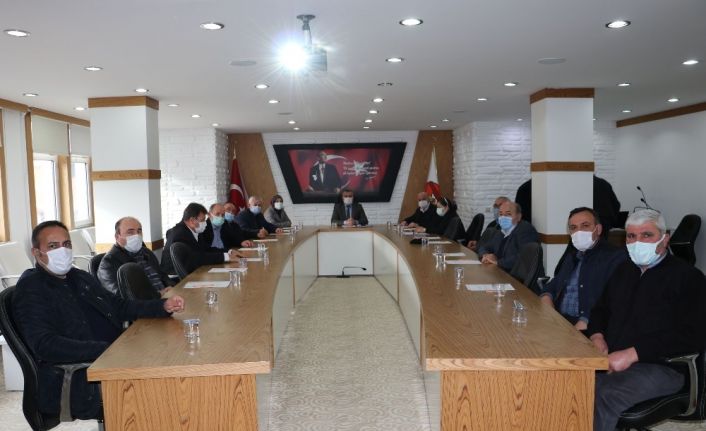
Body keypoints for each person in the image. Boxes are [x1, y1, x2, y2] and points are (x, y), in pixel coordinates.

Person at [12, 220, 185, 419]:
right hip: (83, 376)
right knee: (163, 392)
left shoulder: (78, 277)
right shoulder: (31, 289)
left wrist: (161, 306)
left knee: (172, 358)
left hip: (112, 357)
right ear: (36, 253)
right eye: (53, 246)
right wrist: (105, 349)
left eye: (66, 244)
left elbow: (118, 306)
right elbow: (45, 344)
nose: (62, 250)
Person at [586, 209, 706, 431]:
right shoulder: (624, 271)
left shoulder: (688, 277)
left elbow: (693, 334)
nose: (638, 242)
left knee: (603, 393)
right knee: (570, 383)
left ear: (665, 239)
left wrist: (634, 353)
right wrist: (597, 335)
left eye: (647, 235)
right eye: (631, 236)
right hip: (611, 358)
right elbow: (600, 309)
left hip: (663, 366)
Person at [539, 207, 626, 330]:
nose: (579, 231)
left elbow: (611, 300)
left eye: (585, 226)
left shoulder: (614, 257)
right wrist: (547, 299)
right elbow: (554, 284)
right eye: (573, 228)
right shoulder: (573, 256)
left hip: (589, 326)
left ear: (598, 229)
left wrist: (584, 322)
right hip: (559, 321)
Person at [514, 176, 622, 235]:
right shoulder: (603, 184)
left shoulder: (527, 187)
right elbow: (616, 207)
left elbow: (521, 217)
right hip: (604, 230)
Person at [97, 216, 175, 296]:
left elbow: (163, 276)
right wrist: (158, 295)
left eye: (139, 231)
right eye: (130, 232)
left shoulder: (146, 252)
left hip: (168, 296)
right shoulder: (107, 264)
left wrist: (173, 288)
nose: (137, 235)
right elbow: (122, 297)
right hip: (150, 302)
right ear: (117, 237)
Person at [161, 202, 243, 275]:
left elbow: (206, 249)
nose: (205, 223)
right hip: (176, 278)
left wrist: (228, 252)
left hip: (193, 270)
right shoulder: (180, 234)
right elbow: (196, 257)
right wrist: (225, 257)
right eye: (202, 220)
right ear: (192, 220)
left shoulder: (195, 230)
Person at [477, 200, 538, 271]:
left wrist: (497, 262)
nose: (503, 217)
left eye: (508, 214)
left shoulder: (525, 230)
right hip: (499, 271)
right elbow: (484, 247)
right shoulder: (501, 231)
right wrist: (486, 255)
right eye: (501, 214)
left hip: (516, 275)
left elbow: (523, 257)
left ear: (519, 217)